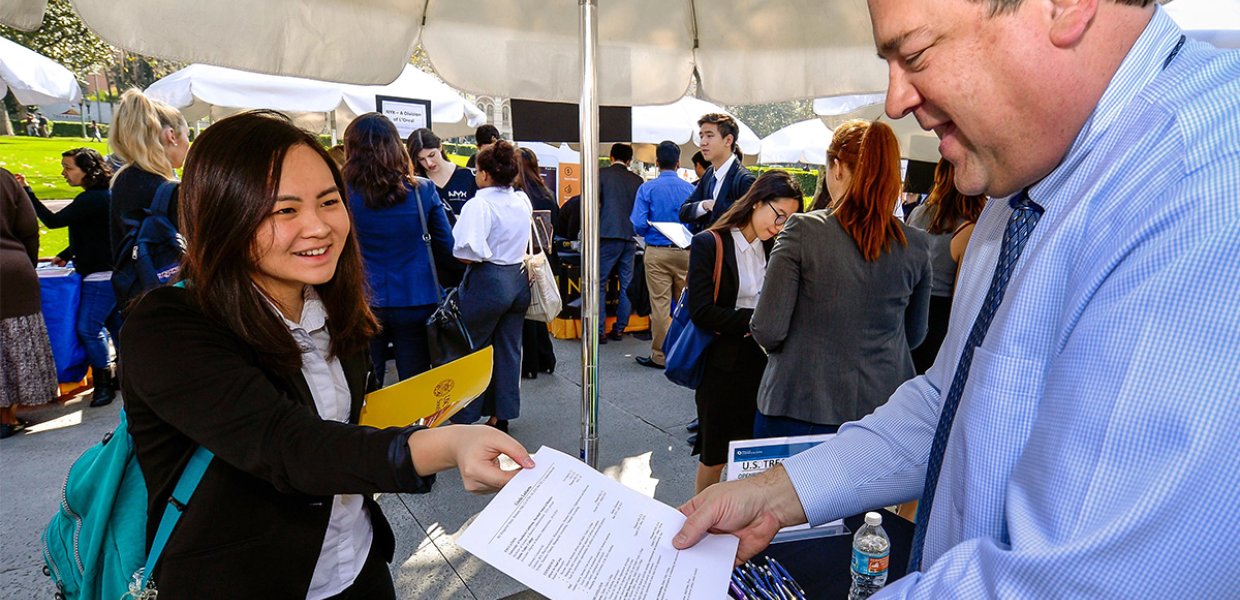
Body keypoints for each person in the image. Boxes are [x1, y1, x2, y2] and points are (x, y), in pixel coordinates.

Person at [673, 1, 1240, 596]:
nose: (896, 103)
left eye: (914, 53)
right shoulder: (1024, 177)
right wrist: (773, 494)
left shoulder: (1200, 189)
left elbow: (1074, 580)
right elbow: (949, 401)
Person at [119, 111, 533, 598]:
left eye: (329, 201)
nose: (318, 227)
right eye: (284, 210)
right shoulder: (169, 325)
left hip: (357, 566)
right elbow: (291, 446)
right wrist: (449, 445)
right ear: (223, 214)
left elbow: (350, 424)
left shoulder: (334, 305)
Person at [750, 121, 932, 437]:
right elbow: (914, 335)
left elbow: (767, 329)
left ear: (836, 168)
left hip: (797, 405)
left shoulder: (802, 231)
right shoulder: (915, 244)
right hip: (884, 413)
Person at [688, 171, 802, 493]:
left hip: (764, 366)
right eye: (779, 215)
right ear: (756, 202)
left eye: (788, 222)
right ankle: (701, 518)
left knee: (754, 453)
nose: (779, 227)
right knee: (714, 456)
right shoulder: (711, 242)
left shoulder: (774, 248)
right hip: (721, 366)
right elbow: (702, 312)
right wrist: (757, 320)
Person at [343, 113, 453, 385]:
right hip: (417, 296)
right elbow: (447, 246)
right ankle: (415, 428)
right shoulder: (423, 190)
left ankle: (370, 428)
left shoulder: (340, 194)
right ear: (396, 146)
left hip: (363, 298)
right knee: (415, 382)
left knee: (367, 382)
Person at [21, 148, 121, 408]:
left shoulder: (91, 199)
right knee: (116, 328)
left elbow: (53, 222)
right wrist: (67, 253)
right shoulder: (102, 197)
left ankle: (104, 383)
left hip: (100, 276)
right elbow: (96, 233)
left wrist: (28, 193)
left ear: (87, 170)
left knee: (88, 328)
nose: (64, 173)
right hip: (109, 272)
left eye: (68, 168)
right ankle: (122, 377)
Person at [447, 141, 532, 433]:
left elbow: (465, 252)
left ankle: (465, 415)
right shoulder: (522, 200)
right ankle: (502, 413)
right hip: (518, 278)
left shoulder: (479, 204)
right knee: (509, 349)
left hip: (489, 280)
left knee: (471, 347)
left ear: (484, 174)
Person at [108, 88, 190, 310]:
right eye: (187, 135)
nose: (188, 143)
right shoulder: (169, 191)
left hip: (134, 299)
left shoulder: (122, 180)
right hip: (173, 304)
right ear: (171, 135)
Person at [906, 159, 987, 374]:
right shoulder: (968, 229)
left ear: (938, 177)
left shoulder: (917, 214)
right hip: (938, 321)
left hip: (907, 309)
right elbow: (962, 297)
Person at [0, 168, 58, 439]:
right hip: (11, 272)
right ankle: (6, 415)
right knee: (15, 342)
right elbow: (28, 229)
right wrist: (27, 263)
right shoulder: (5, 179)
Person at [630, 140, 695, 368]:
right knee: (686, 304)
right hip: (687, 252)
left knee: (660, 306)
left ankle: (660, 355)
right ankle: (687, 354)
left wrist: (652, 230)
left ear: (657, 163)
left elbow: (637, 224)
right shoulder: (691, 189)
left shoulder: (647, 189)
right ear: (678, 163)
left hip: (657, 252)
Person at [516, 146, 558, 379]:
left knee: (525, 312)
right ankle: (545, 357)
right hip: (544, 257)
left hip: (522, 257)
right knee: (539, 308)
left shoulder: (517, 195)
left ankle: (530, 363)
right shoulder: (546, 193)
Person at [597, 143, 643, 343]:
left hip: (607, 234)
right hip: (630, 237)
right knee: (626, 284)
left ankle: (598, 330)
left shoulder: (601, 175)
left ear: (611, 156)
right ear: (629, 160)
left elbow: (595, 205)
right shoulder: (637, 180)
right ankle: (619, 328)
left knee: (598, 283)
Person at [679, 113, 756, 231]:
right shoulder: (709, 174)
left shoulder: (744, 180)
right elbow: (684, 212)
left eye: (709, 136)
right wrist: (704, 205)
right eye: (701, 136)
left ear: (728, 140)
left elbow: (748, 227)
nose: (703, 142)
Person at [406, 128, 477, 216]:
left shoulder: (469, 176)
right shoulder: (416, 183)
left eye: (432, 155)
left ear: (440, 147)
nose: (429, 163)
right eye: (421, 159)